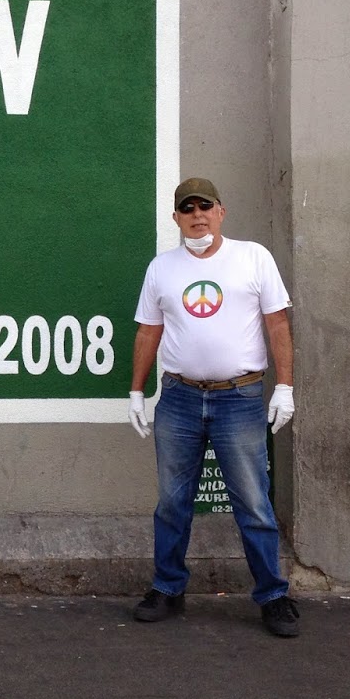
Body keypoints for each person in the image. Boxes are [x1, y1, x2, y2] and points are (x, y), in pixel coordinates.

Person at [126, 177, 300, 638]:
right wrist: (136, 391)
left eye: (205, 206)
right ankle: (167, 588)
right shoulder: (162, 269)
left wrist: (284, 387)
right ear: (176, 218)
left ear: (221, 212)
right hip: (179, 399)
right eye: (187, 209)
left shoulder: (253, 257)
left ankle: (273, 595)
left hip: (239, 398)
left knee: (253, 503)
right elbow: (148, 331)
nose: (197, 215)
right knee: (172, 502)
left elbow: (277, 324)